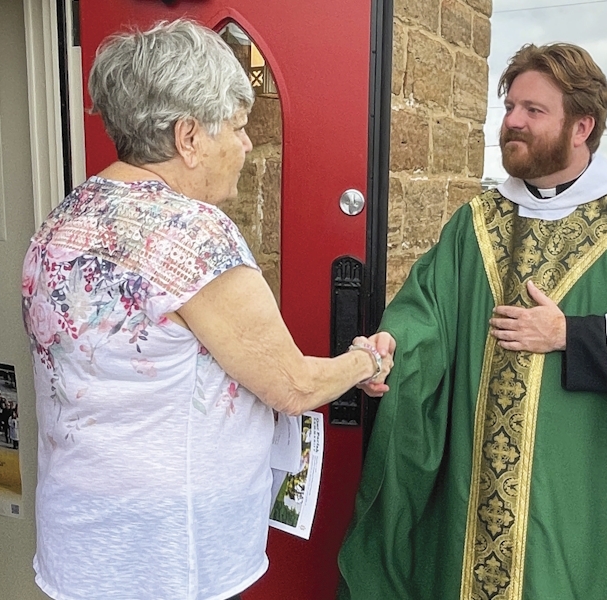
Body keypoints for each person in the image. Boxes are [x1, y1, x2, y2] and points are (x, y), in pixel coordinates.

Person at [20, 20, 393, 600]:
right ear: (188, 136)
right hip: (167, 556)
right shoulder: (194, 235)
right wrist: (364, 361)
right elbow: (292, 385)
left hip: (81, 542)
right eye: (240, 127)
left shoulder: (64, 219)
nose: (247, 145)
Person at [338, 43, 607, 599]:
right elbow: (428, 312)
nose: (512, 121)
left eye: (532, 111)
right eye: (510, 107)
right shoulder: (478, 224)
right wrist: (391, 346)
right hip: (472, 501)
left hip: (577, 504)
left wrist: (573, 335)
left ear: (582, 125)